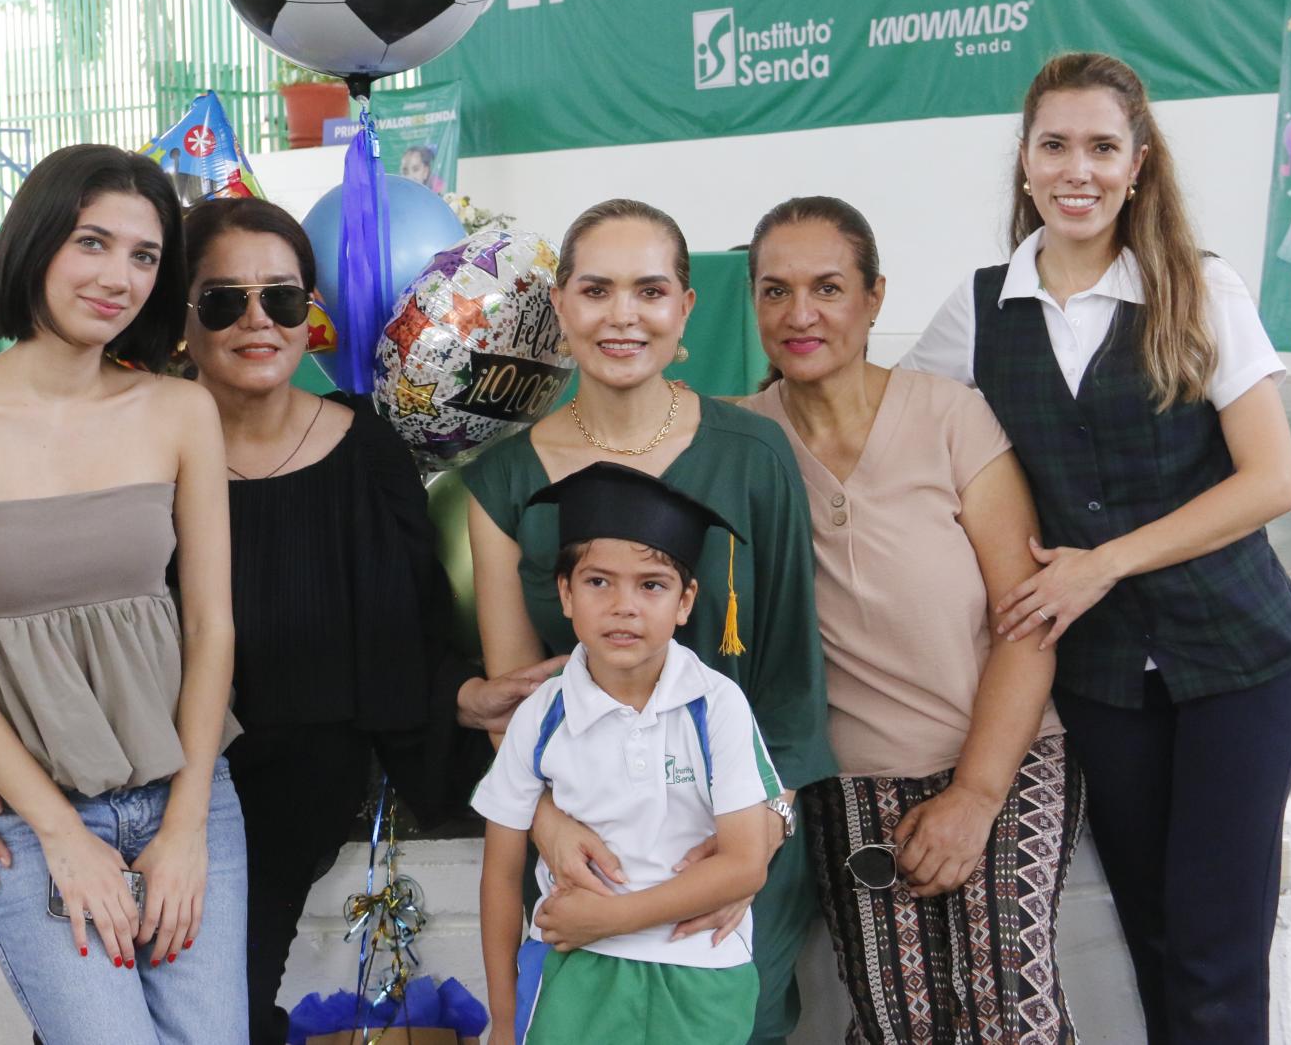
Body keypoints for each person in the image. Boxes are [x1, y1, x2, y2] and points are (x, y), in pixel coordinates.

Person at [0, 195, 562, 1043]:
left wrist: (465, 696)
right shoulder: (125, 438)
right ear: (181, 315)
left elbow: (404, 634)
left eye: (285, 298)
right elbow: (29, 606)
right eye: (225, 299)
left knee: (213, 1003)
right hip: (110, 760)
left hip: (285, 780)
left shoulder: (366, 453)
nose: (258, 321)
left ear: (313, 315)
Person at [903, 52, 1291, 1045]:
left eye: (1099, 147)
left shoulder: (1198, 289)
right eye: (1054, 145)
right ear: (1024, 161)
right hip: (1101, 679)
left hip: (1236, 659)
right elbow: (890, 431)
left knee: (1215, 952)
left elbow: (1269, 481)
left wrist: (1102, 560)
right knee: (1151, 936)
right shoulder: (974, 311)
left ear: (1136, 166)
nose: (1075, 169)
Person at [0, 144, 249, 1042]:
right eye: (93, 241)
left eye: (144, 255)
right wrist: (62, 836)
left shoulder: (178, 411)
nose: (117, 275)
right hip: (36, 810)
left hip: (186, 795)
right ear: (36, 242)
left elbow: (210, 623)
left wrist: (189, 823)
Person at [464, 198, 834, 1045]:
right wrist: (550, 830)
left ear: (687, 308)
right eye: (595, 289)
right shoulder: (505, 485)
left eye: (650, 290)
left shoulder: (753, 455)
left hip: (738, 853)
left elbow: (790, 688)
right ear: (559, 307)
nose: (622, 316)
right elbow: (520, 703)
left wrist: (757, 849)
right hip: (587, 856)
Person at [739, 196, 1082, 1044]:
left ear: (875, 297)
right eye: (775, 291)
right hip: (854, 779)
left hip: (1006, 750)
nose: (801, 313)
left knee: (1008, 997)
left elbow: (1027, 621)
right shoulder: (740, 444)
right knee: (900, 1023)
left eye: (827, 287)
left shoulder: (950, 416)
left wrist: (974, 793)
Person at [475, 462, 781, 1045]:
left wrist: (613, 919)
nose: (624, 606)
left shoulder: (715, 705)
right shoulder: (541, 715)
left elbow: (744, 863)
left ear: (685, 601)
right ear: (565, 593)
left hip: (701, 972)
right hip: (570, 972)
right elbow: (500, 871)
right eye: (598, 582)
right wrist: (504, 1019)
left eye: (652, 584)